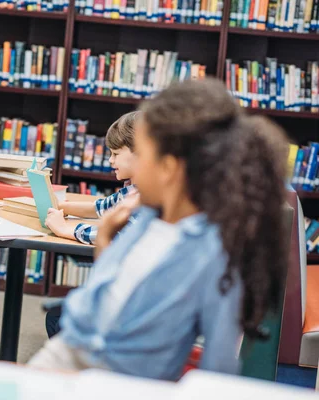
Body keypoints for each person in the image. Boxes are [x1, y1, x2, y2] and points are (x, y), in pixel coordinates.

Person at [27, 78, 289, 381]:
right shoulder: (148, 217)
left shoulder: (211, 252)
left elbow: (220, 368)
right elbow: (112, 295)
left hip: (119, 380)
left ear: (169, 168)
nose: (133, 175)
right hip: (71, 353)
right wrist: (104, 239)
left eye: (144, 157)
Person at [45, 111, 140, 245]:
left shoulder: (145, 198)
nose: (110, 160)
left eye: (116, 154)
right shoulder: (132, 190)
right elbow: (101, 207)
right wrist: (60, 207)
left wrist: (64, 229)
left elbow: (118, 236)